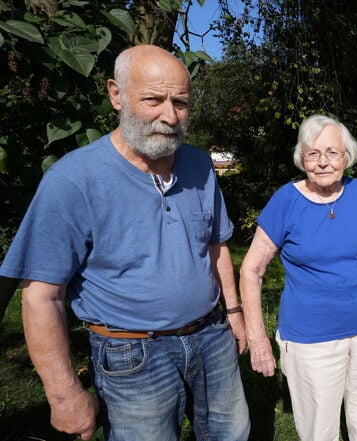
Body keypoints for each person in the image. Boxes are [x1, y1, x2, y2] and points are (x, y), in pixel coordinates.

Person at [0, 45, 250, 441]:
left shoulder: (200, 166)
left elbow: (217, 246)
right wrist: (63, 395)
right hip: (132, 355)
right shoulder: (73, 181)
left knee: (232, 435)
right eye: (154, 99)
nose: (169, 116)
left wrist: (234, 314)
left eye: (181, 102)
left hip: (211, 338)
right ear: (116, 94)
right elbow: (40, 297)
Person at [240, 114, 357, 441]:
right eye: (314, 153)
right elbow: (251, 269)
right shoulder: (286, 201)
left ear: (346, 156)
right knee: (318, 432)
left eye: (332, 153)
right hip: (312, 339)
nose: (323, 162)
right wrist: (257, 338)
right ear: (302, 158)